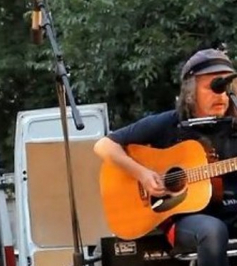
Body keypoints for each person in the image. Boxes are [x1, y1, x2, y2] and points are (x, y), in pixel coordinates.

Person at [94, 48, 237, 266]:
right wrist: (142, 175)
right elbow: (104, 145)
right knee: (212, 231)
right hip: (185, 219)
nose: (221, 95)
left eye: (225, 88)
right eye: (212, 87)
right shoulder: (169, 123)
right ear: (191, 91)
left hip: (231, 210)